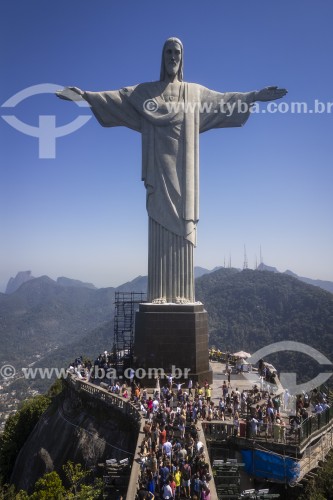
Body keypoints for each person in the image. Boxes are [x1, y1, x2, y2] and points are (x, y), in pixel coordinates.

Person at [56, 38, 287, 304]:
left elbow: (224, 101)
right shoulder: (146, 92)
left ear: (183, 57)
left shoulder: (194, 93)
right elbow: (117, 98)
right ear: (162, 56)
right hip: (158, 170)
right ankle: (158, 294)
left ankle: (182, 294)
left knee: (182, 228)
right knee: (159, 228)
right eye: (168, 51)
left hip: (185, 173)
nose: (173, 56)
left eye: (177, 52)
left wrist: (254, 96)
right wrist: (84, 95)